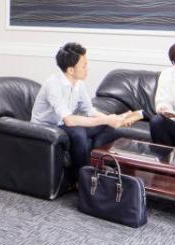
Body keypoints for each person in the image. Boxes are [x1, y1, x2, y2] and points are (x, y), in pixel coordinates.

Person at [31, 42, 140, 173]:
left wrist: (113, 119)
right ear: (71, 70)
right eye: (83, 66)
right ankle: (81, 176)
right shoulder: (53, 84)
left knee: (109, 128)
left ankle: (95, 167)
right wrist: (106, 119)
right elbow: (69, 120)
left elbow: (89, 110)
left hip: (63, 123)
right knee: (78, 133)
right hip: (46, 128)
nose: (87, 69)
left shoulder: (78, 83)